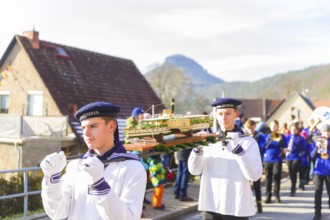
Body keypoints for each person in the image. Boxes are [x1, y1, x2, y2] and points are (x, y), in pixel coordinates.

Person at [40, 102, 147, 220]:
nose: (86, 133)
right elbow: (58, 213)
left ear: (111, 126)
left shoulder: (132, 168)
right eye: (83, 127)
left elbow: (129, 218)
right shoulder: (75, 166)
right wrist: (52, 179)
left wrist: (100, 185)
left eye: (93, 126)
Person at [188, 98, 263, 220]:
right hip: (211, 205)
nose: (224, 118)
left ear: (236, 115)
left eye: (228, 113)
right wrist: (198, 149)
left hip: (236, 206)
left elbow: (254, 176)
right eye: (220, 114)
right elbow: (194, 170)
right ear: (216, 116)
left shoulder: (248, 142)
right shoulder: (208, 140)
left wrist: (238, 149)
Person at [262, 120, 287, 204]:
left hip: (277, 159)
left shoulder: (281, 136)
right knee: (268, 178)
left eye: (275, 125)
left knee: (276, 176)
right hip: (267, 159)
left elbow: (285, 146)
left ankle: (277, 195)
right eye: (272, 125)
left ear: (277, 126)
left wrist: (281, 141)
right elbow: (263, 146)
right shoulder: (266, 136)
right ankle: (268, 196)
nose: (273, 127)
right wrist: (268, 140)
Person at [244, 119, 266, 213]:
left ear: (255, 127)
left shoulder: (260, 136)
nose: (251, 130)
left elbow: (262, 148)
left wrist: (253, 144)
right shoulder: (243, 137)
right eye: (249, 128)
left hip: (256, 163)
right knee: (245, 186)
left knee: (257, 187)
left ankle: (259, 205)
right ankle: (247, 206)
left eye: (252, 128)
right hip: (246, 163)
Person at [310, 122, 330, 220]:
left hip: (329, 171)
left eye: (328, 131)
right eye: (324, 131)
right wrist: (316, 147)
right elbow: (312, 156)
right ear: (321, 132)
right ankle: (317, 213)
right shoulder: (317, 141)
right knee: (318, 192)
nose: (326, 133)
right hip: (319, 171)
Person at [284, 123, 306, 197]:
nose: (293, 130)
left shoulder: (300, 138)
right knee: (291, 172)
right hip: (288, 156)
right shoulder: (287, 137)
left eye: (295, 129)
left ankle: (293, 188)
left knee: (294, 172)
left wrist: (296, 144)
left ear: (297, 130)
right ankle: (293, 184)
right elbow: (284, 146)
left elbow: (303, 148)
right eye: (292, 129)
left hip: (296, 157)